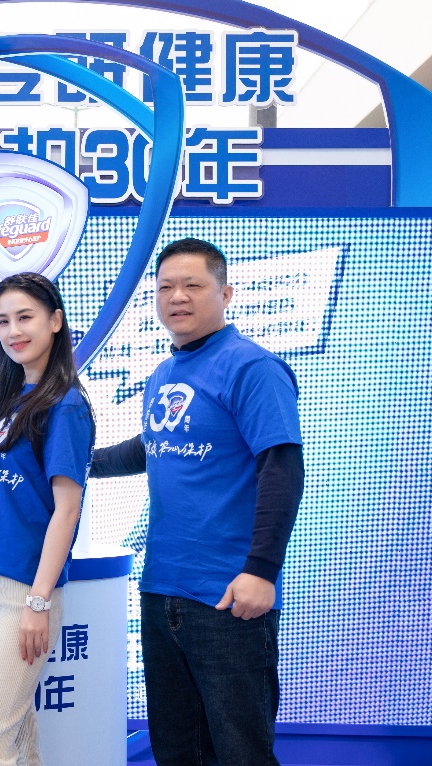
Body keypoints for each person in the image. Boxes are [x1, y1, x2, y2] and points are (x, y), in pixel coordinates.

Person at [91, 238, 304, 766]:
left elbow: (282, 466)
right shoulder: (164, 374)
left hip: (227, 596)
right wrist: (74, 460)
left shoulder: (252, 368)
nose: (176, 297)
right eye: (165, 287)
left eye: (192, 285)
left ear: (225, 292)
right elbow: (152, 446)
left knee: (239, 753)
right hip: (162, 590)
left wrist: (261, 570)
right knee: (177, 749)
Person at [0, 273, 95, 766]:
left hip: (24, 594)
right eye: (3, 321)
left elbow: (67, 510)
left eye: (25, 317)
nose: (13, 331)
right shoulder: (10, 401)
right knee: (17, 738)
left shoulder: (67, 406)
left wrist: (38, 602)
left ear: (55, 321)